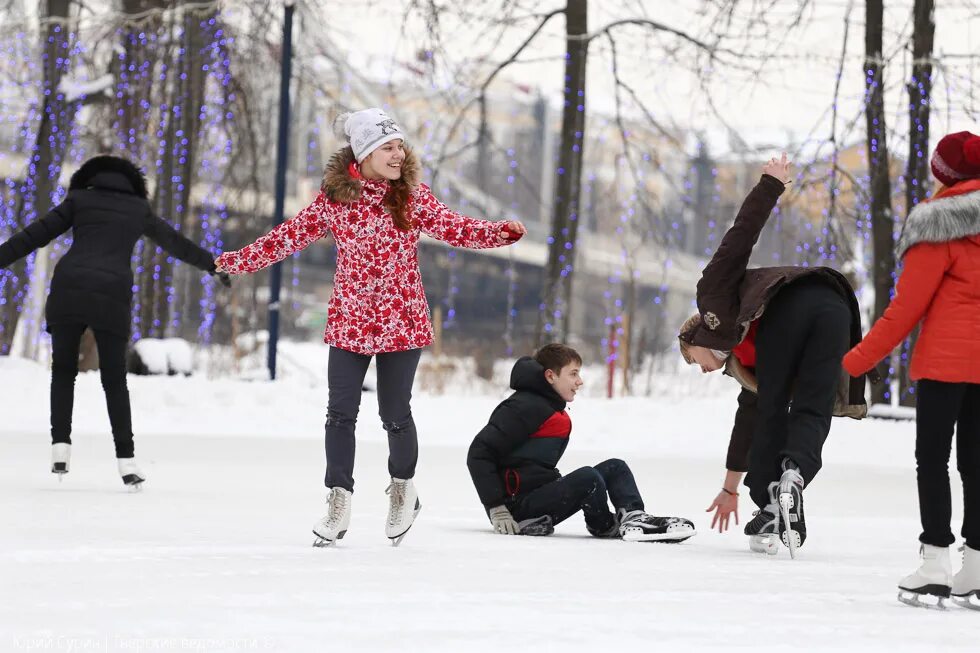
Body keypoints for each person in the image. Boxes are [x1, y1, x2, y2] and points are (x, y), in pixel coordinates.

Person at [215, 107, 526, 547]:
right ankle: (338, 499)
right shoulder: (335, 199)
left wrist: (500, 233)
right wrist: (234, 261)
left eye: (400, 145)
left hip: (402, 319)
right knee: (339, 414)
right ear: (364, 152)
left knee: (394, 413)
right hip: (350, 320)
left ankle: (403, 490)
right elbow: (287, 237)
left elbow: (454, 227)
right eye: (388, 147)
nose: (398, 154)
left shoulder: (412, 197)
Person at [678, 153, 875, 558]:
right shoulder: (741, 364)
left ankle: (769, 502)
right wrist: (730, 487)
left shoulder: (713, 297)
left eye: (692, 359)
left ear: (695, 335)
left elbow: (740, 238)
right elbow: (743, 424)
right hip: (834, 307)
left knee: (771, 408)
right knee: (811, 407)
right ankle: (794, 476)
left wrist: (769, 185)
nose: (700, 369)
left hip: (792, 300)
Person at [0, 155, 225, 488]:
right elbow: (174, 243)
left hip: (69, 287)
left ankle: (60, 449)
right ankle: (126, 461)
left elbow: (35, 235)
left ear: (89, 178)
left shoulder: (78, 200)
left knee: (63, 370)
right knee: (114, 380)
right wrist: (212, 264)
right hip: (111, 293)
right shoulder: (138, 210)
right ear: (133, 184)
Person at [843, 131, 980, 610]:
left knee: (933, 461)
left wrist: (854, 361)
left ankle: (936, 564)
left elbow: (906, 311)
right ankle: (977, 570)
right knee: (976, 464)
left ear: (944, 174)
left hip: (945, 365)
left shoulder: (936, 225)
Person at [466, 343, 696, 542]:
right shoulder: (522, 408)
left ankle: (634, 517)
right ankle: (604, 525)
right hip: (518, 508)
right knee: (589, 478)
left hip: (539, 493)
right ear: (550, 376)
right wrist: (497, 508)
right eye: (573, 374)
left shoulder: (545, 405)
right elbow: (479, 452)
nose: (580, 381)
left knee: (616, 467)